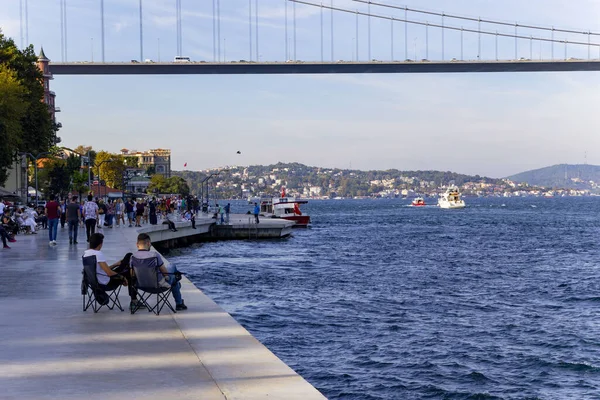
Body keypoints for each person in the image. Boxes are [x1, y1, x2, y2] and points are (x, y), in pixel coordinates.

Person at [83, 233, 139, 310]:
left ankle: (134, 300)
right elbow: (109, 273)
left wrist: (116, 264)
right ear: (100, 244)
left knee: (127, 261)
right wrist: (122, 277)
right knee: (130, 266)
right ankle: (134, 301)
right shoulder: (98, 254)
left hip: (95, 283)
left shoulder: (86, 254)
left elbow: (101, 270)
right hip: (107, 283)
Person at [132, 233, 187, 311]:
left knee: (174, 278)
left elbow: (133, 274)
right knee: (172, 267)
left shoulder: (133, 257)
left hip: (142, 286)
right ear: (148, 243)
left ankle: (176, 284)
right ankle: (179, 303)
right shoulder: (154, 255)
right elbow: (165, 273)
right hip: (158, 286)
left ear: (137, 244)